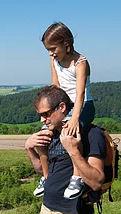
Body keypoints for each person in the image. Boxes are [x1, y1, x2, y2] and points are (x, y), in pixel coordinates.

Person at [25, 85, 105, 214]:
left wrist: (73, 151)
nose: (42, 120)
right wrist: (29, 149)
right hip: (47, 210)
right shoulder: (50, 133)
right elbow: (44, 171)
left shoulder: (91, 134)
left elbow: (96, 180)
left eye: (45, 114)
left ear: (62, 107)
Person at [34, 22, 96, 200]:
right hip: (63, 104)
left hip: (83, 106)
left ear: (66, 43)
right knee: (42, 138)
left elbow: (80, 93)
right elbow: (55, 86)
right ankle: (46, 177)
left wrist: (75, 118)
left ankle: (77, 177)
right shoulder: (54, 60)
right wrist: (52, 110)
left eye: (53, 48)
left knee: (71, 134)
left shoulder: (80, 62)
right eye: (48, 50)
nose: (51, 53)